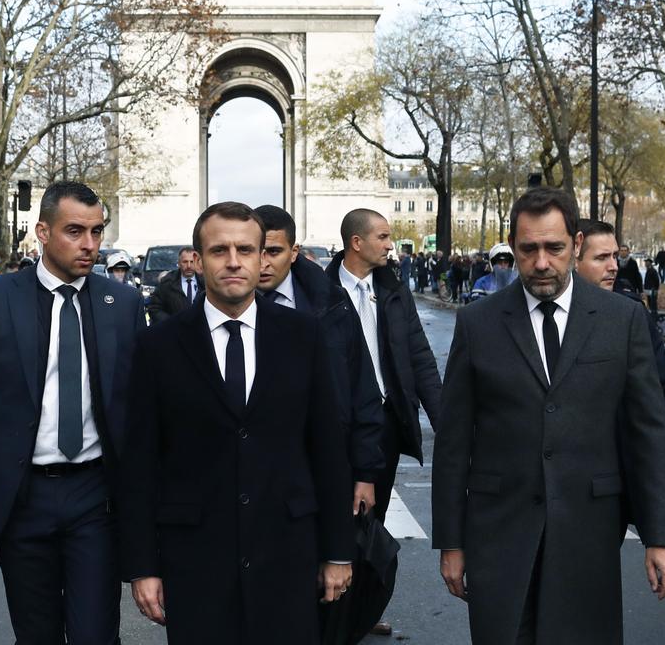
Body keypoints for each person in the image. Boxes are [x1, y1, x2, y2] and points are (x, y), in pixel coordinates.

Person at [433, 187, 665, 645]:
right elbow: (452, 442)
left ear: (577, 242)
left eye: (554, 248)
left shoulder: (621, 320)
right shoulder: (478, 324)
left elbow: (648, 432)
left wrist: (662, 536)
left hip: (589, 535)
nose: (541, 262)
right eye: (528, 249)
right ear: (513, 245)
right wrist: (451, 542)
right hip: (498, 535)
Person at [119, 202, 354, 645]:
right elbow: (140, 463)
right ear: (197, 257)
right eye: (219, 250)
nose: (233, 261)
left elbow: (327, 448)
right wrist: (142, 566)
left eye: (246, 250)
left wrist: (338, 551)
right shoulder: (157, 346)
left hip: (287, 551)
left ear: (262, 256)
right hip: (194, 558)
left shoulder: (304, 335)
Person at [0, 181, 146, 645]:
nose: (90, 245)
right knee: (35, 632)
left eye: (97, 232)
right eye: (75, 231)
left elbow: (138, 409)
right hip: (22, 498)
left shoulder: (121, 303)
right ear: (42, 231)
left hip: (94, 496)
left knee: (95, 634)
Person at [326, 209, 442, 637]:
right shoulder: (322, 290)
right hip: (341, 427)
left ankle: (361, 605)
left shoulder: (393, 289)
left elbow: (420, 357)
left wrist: (444, 423)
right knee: (343, 516)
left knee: (370, 521)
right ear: (356, 243)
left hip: (387, 423)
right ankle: (335, 603)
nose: (391, 244)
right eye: (383, 236)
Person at [255, 204, 384, 516]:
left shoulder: (333, 304)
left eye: (273, 251)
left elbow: (362, 389)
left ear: (294, 251)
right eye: (254, 250)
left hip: (320, 465)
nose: (262, 263)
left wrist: (365, 473)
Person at [576, 219, 665, 499]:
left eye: (614, 256)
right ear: (572, 259)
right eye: (601, 257)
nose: (613, 265)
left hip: (616, 478)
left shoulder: (632, 314)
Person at [146, 245, 202, 324]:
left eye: (192, 262)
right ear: (179, 263)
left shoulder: (206, 282)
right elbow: (154, 308)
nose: (189, 266)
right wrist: (172, 323)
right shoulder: (167, 282)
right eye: (185, 262)